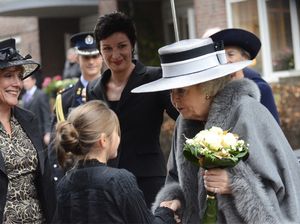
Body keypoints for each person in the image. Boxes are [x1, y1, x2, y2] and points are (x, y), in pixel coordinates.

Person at [132, 38, 300, 223]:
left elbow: (282, 189)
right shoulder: (184, 121)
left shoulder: (247, 113)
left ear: (207, 87)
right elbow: (176, 178)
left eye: (181, 90)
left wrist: (236, 185)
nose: (174, 99)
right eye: (170, 91)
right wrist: (175, 200)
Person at [87, 11, 179, 207]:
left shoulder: (155, 78)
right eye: (107, 48)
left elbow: (184, 116)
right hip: (107, 181)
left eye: (122, 46)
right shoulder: (94, 89)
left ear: (132, 45)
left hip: (149, 179)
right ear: (100, 51)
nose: (115, 55)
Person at [54, 100, 181, 223]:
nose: (119, 137)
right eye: (116, 132)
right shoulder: (119, 181)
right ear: (103, 140)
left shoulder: (64, 185)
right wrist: (166, 212)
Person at [0, 38, 56, 223]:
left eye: (19, 76)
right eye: (9, 75)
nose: (18, 83)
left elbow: (45, 179)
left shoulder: (28, 119)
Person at [48, 31, 103, 183]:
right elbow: (56, 142)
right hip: (75, 175)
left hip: (110, 173)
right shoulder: (65, 98)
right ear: (78, 58)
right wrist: (58, 179)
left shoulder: (113, 91)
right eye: (86, 57)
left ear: (102, 57)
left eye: (95, 56)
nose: (91, 62)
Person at [210, 28, 280, 124]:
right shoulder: (212, 89)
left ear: (245, 58)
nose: (225, 60)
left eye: (231, 54)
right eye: (221, 55)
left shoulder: (261, 88)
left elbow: (273, 129)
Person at [22, 71, 52, 146]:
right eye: (24, 81)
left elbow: (46, 114)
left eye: (27, 81)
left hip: (40, 133)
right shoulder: (24, 96)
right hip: (29, 133)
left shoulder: (41, 95)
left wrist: (47, 132)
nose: (25, 83)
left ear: (34, 81)